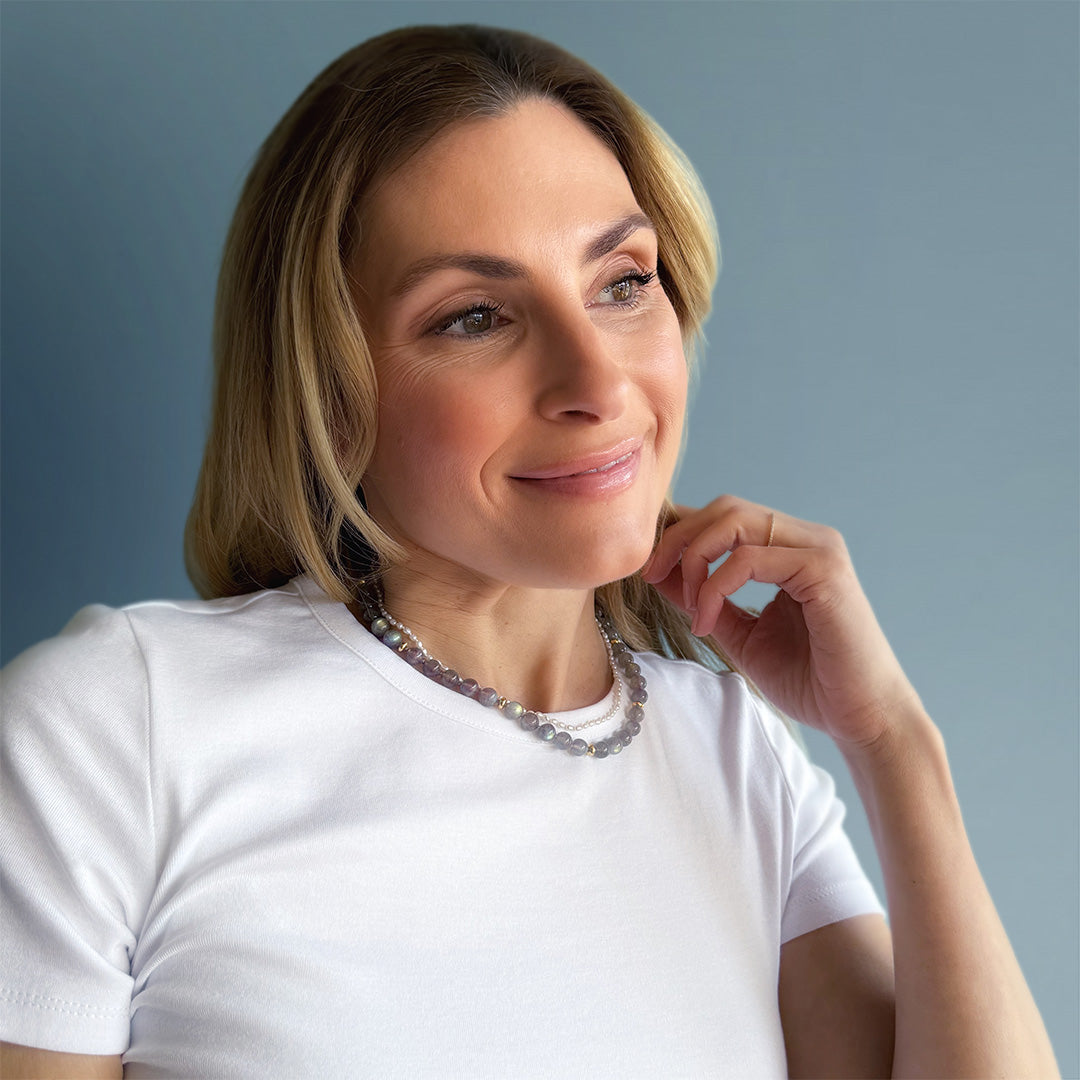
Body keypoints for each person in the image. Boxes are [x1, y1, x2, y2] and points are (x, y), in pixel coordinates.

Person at [0, 23, 1058, 1079]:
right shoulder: (117, 729)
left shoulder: (737, 757)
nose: (597, 385)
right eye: (475, 317)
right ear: (328, 387)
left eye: (622, 282)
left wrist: (894, 747)